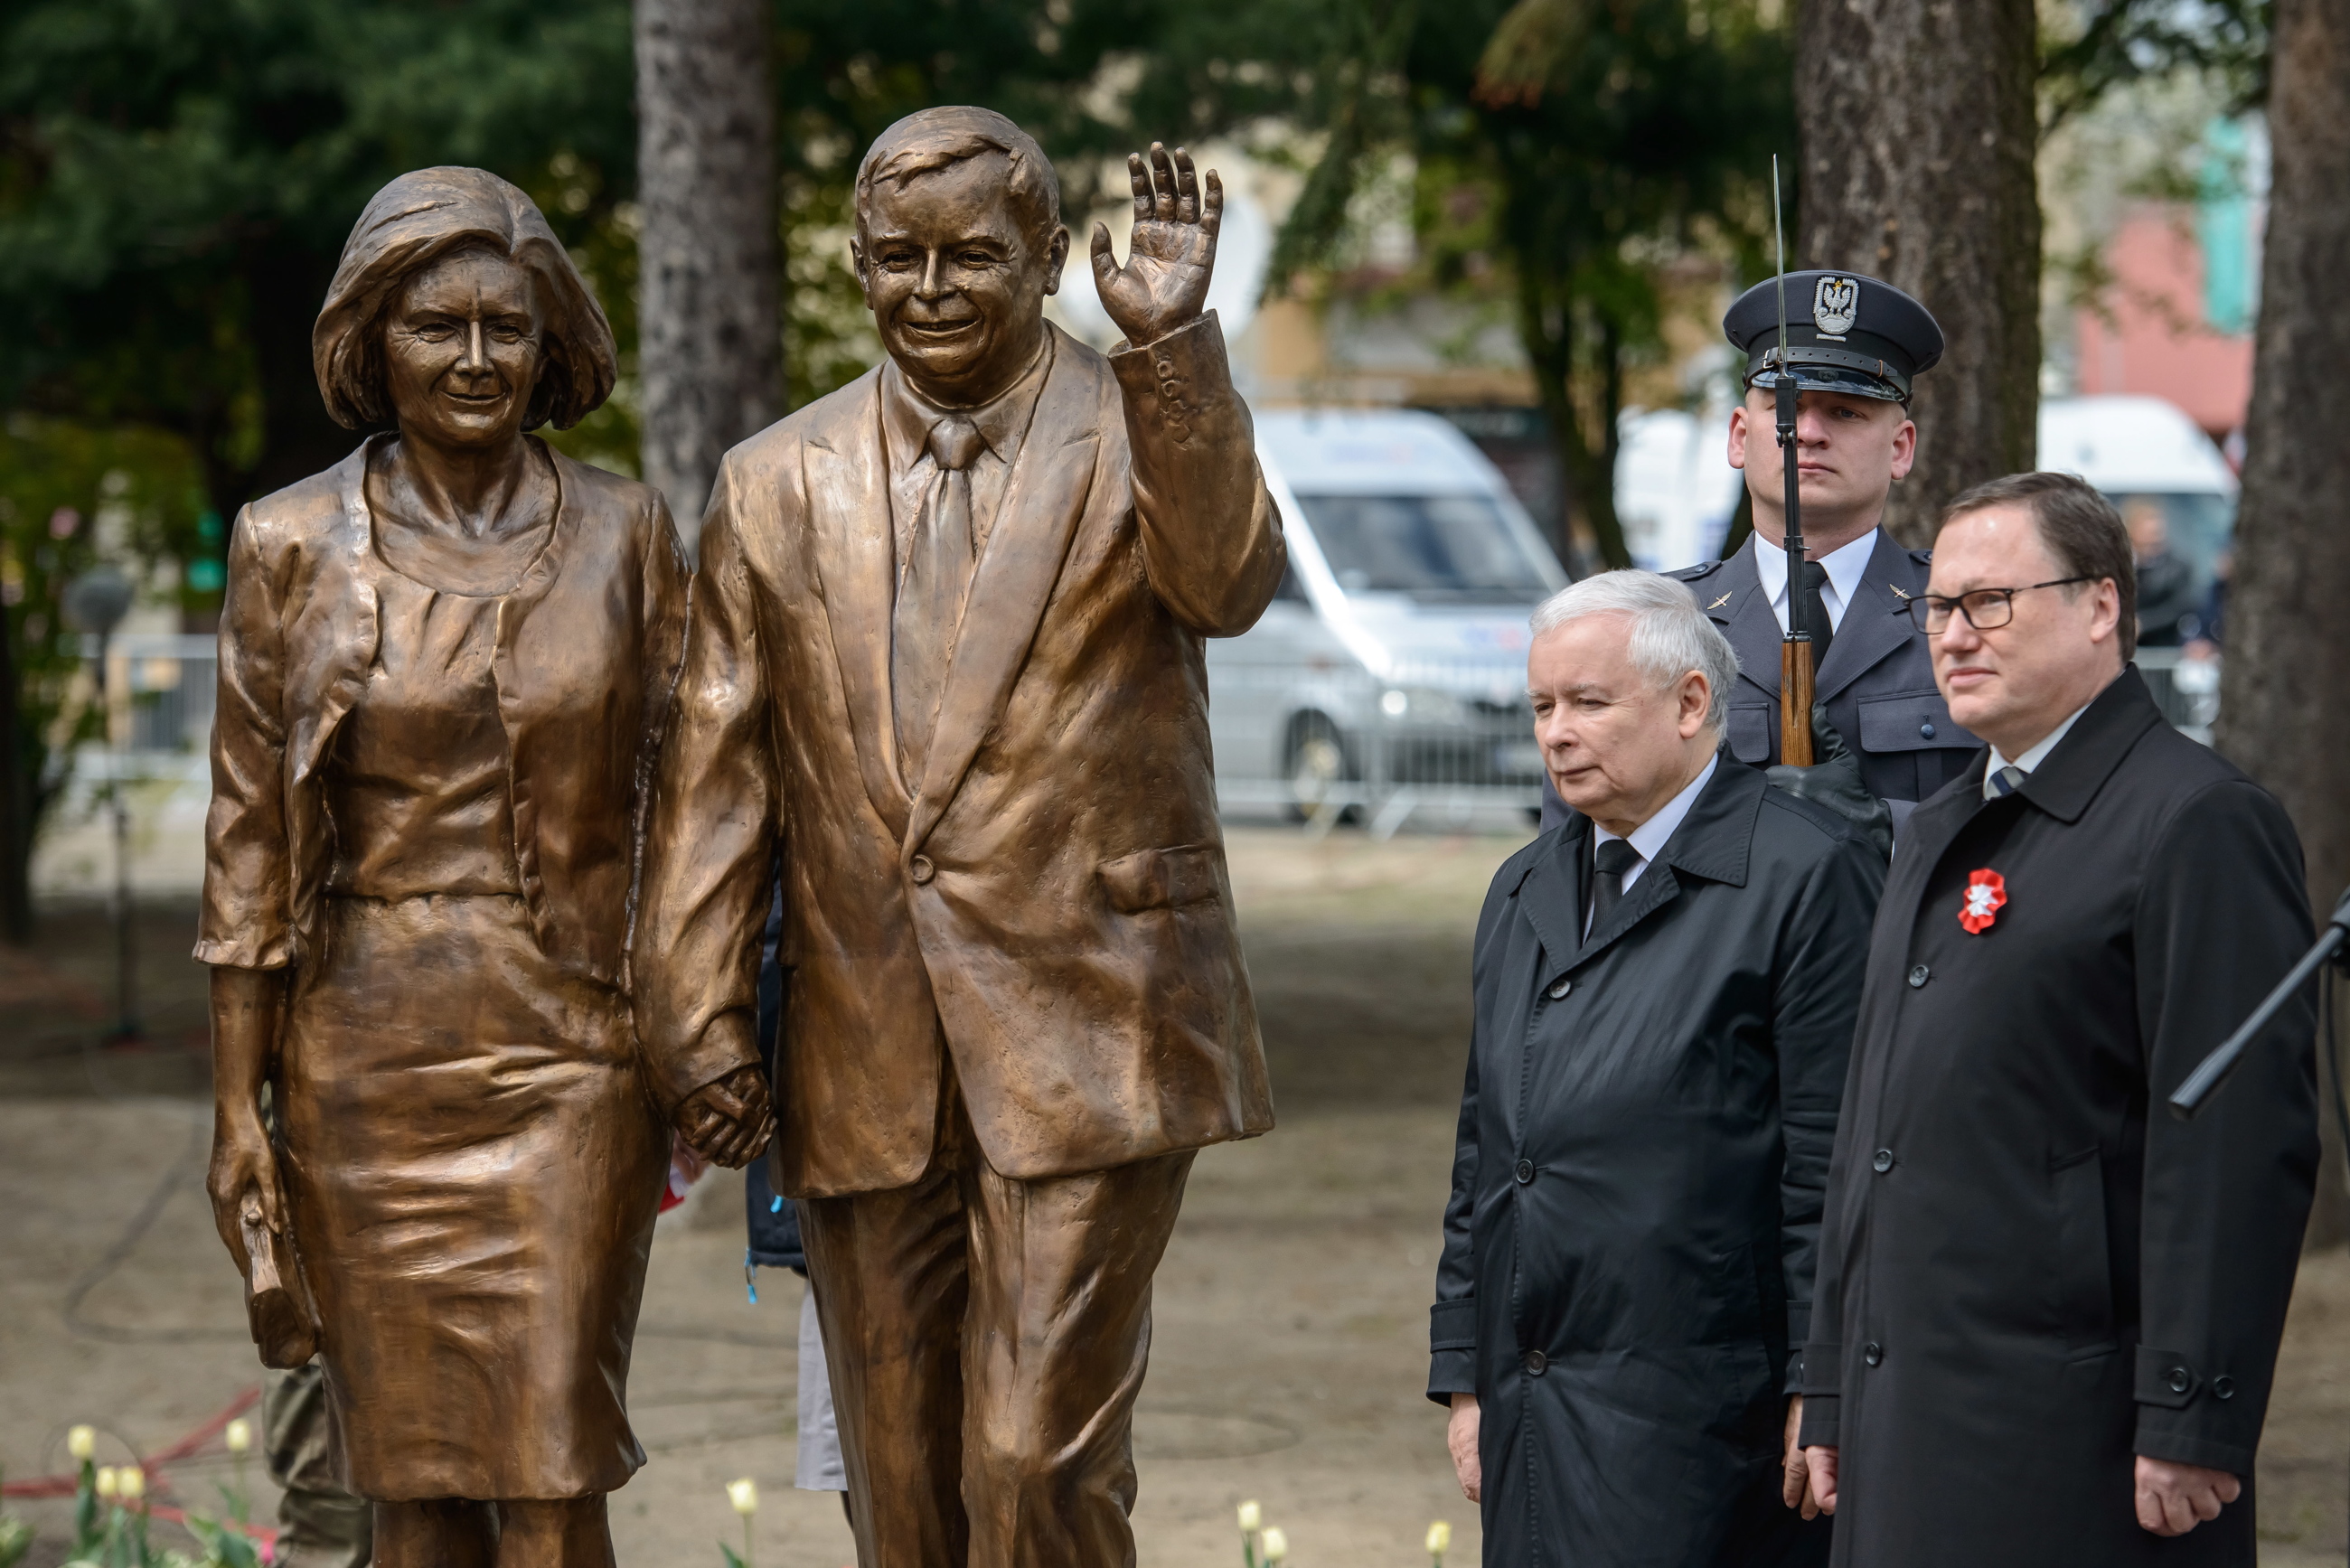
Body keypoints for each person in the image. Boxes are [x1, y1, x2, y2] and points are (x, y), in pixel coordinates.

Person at [630, 108, 1283, 1565]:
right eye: (898, 257)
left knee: (1033, 1459)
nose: (930, 288)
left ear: (1047, 258)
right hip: (865, 1039)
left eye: (972, 256)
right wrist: (699, 1014)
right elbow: (718, 774)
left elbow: (1230, 583)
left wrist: (1175, 351)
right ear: (858, 264)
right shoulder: (774, 478)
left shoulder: (1140, 422)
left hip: (1095, 1019)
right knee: (901, 1484)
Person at [199, 167, 771, 1568]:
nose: (473, 359)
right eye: (434, 326)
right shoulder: (286, 544)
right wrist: (234, 1105)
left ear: (548, 340)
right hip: (363, 1064)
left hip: (571, 1053)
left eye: (505, 328)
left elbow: (699, 804)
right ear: (371, 338)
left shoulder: (628, 533)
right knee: (414, 1483)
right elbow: (247, 846)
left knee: (554, 1468)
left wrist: (699, 1020)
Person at [1792, 472, 2318, 1567]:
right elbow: (1869, 1135)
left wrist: (2190, 1412)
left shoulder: (2194, 821)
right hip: (1908, 1414)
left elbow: (2231, 1146)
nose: (1951, 635)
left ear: (2098, 606)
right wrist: (1832, 1382)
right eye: (1936, 606)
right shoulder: (1941, 825)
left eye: (1989, 602)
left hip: (2074, 1430)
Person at [1433, 570, 1884, 1565]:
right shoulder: (1523, 885)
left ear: (1689, 703)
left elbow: (1836, 1165)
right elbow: (1484, 1148)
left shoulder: (1806, 871)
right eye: (1542, 706)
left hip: (1710, 1417)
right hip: (1533, 1406)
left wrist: (1822, 1379)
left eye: (1588, 702)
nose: (1556, 733)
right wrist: (1465, 1369)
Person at [1541, 272, 1979, 835]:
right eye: (1786, 408)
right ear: (1739, 437)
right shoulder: (1648, 624)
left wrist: (1888, 830)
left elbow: (2030, 821)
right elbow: (1577, 843)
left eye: (1846, 412)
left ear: (1900, 448)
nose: (1809, 433)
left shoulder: (1970, 616)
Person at [2124, 499, 2204, 646]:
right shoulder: (2121, 566)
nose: (2155, 540)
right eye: (2148, 534)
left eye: (2157, 533)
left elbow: (2179, 607)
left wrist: (2143, 624)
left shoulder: (2177, 568)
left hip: (2164, 646)